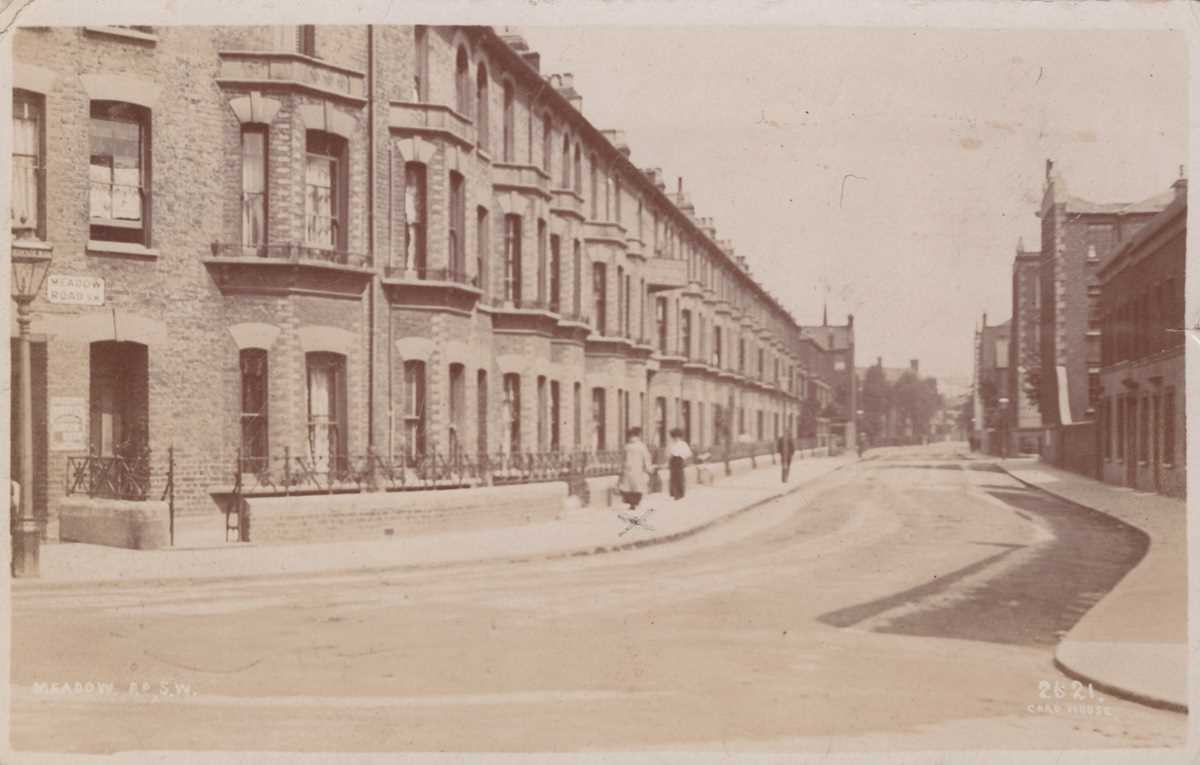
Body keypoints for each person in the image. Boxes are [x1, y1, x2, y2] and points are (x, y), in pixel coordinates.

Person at [616, 427, 654, 511]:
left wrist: (620, 469)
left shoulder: (627, 446)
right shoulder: (641, 446)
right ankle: (634, 503)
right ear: (639, 435)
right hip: (638, 469)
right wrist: (649, 468)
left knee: (628, 487)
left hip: (628, 469)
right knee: (637, 487)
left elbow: (622, 459)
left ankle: (631, 503)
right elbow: (647, 458)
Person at [667, 428, 693, 500]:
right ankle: (674, 493)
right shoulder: (672, 444)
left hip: (679, 460)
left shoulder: (683, 444)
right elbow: (670, 453)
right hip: (673, 460)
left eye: (676, 437)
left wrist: (683, 458)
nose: (675, 438)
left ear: (679, 436)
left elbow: (688, 453)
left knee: (679, 476)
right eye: (674, 437)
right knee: (673, 477)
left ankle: (679, 493)